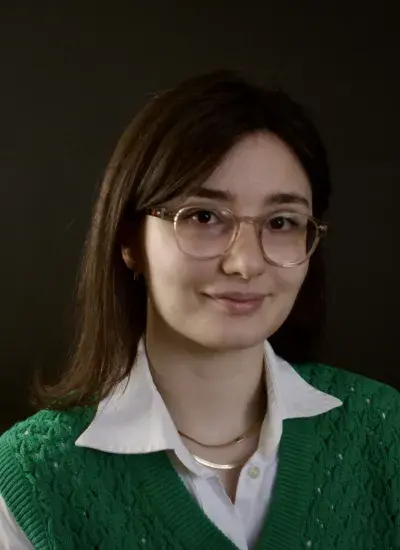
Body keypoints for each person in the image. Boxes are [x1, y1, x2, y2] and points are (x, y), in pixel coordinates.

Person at [0, 71, 398, 550]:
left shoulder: (384, 433)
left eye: (281, 222)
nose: (246, 262)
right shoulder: (30, 480)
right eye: (204, 217)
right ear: (129, 241)